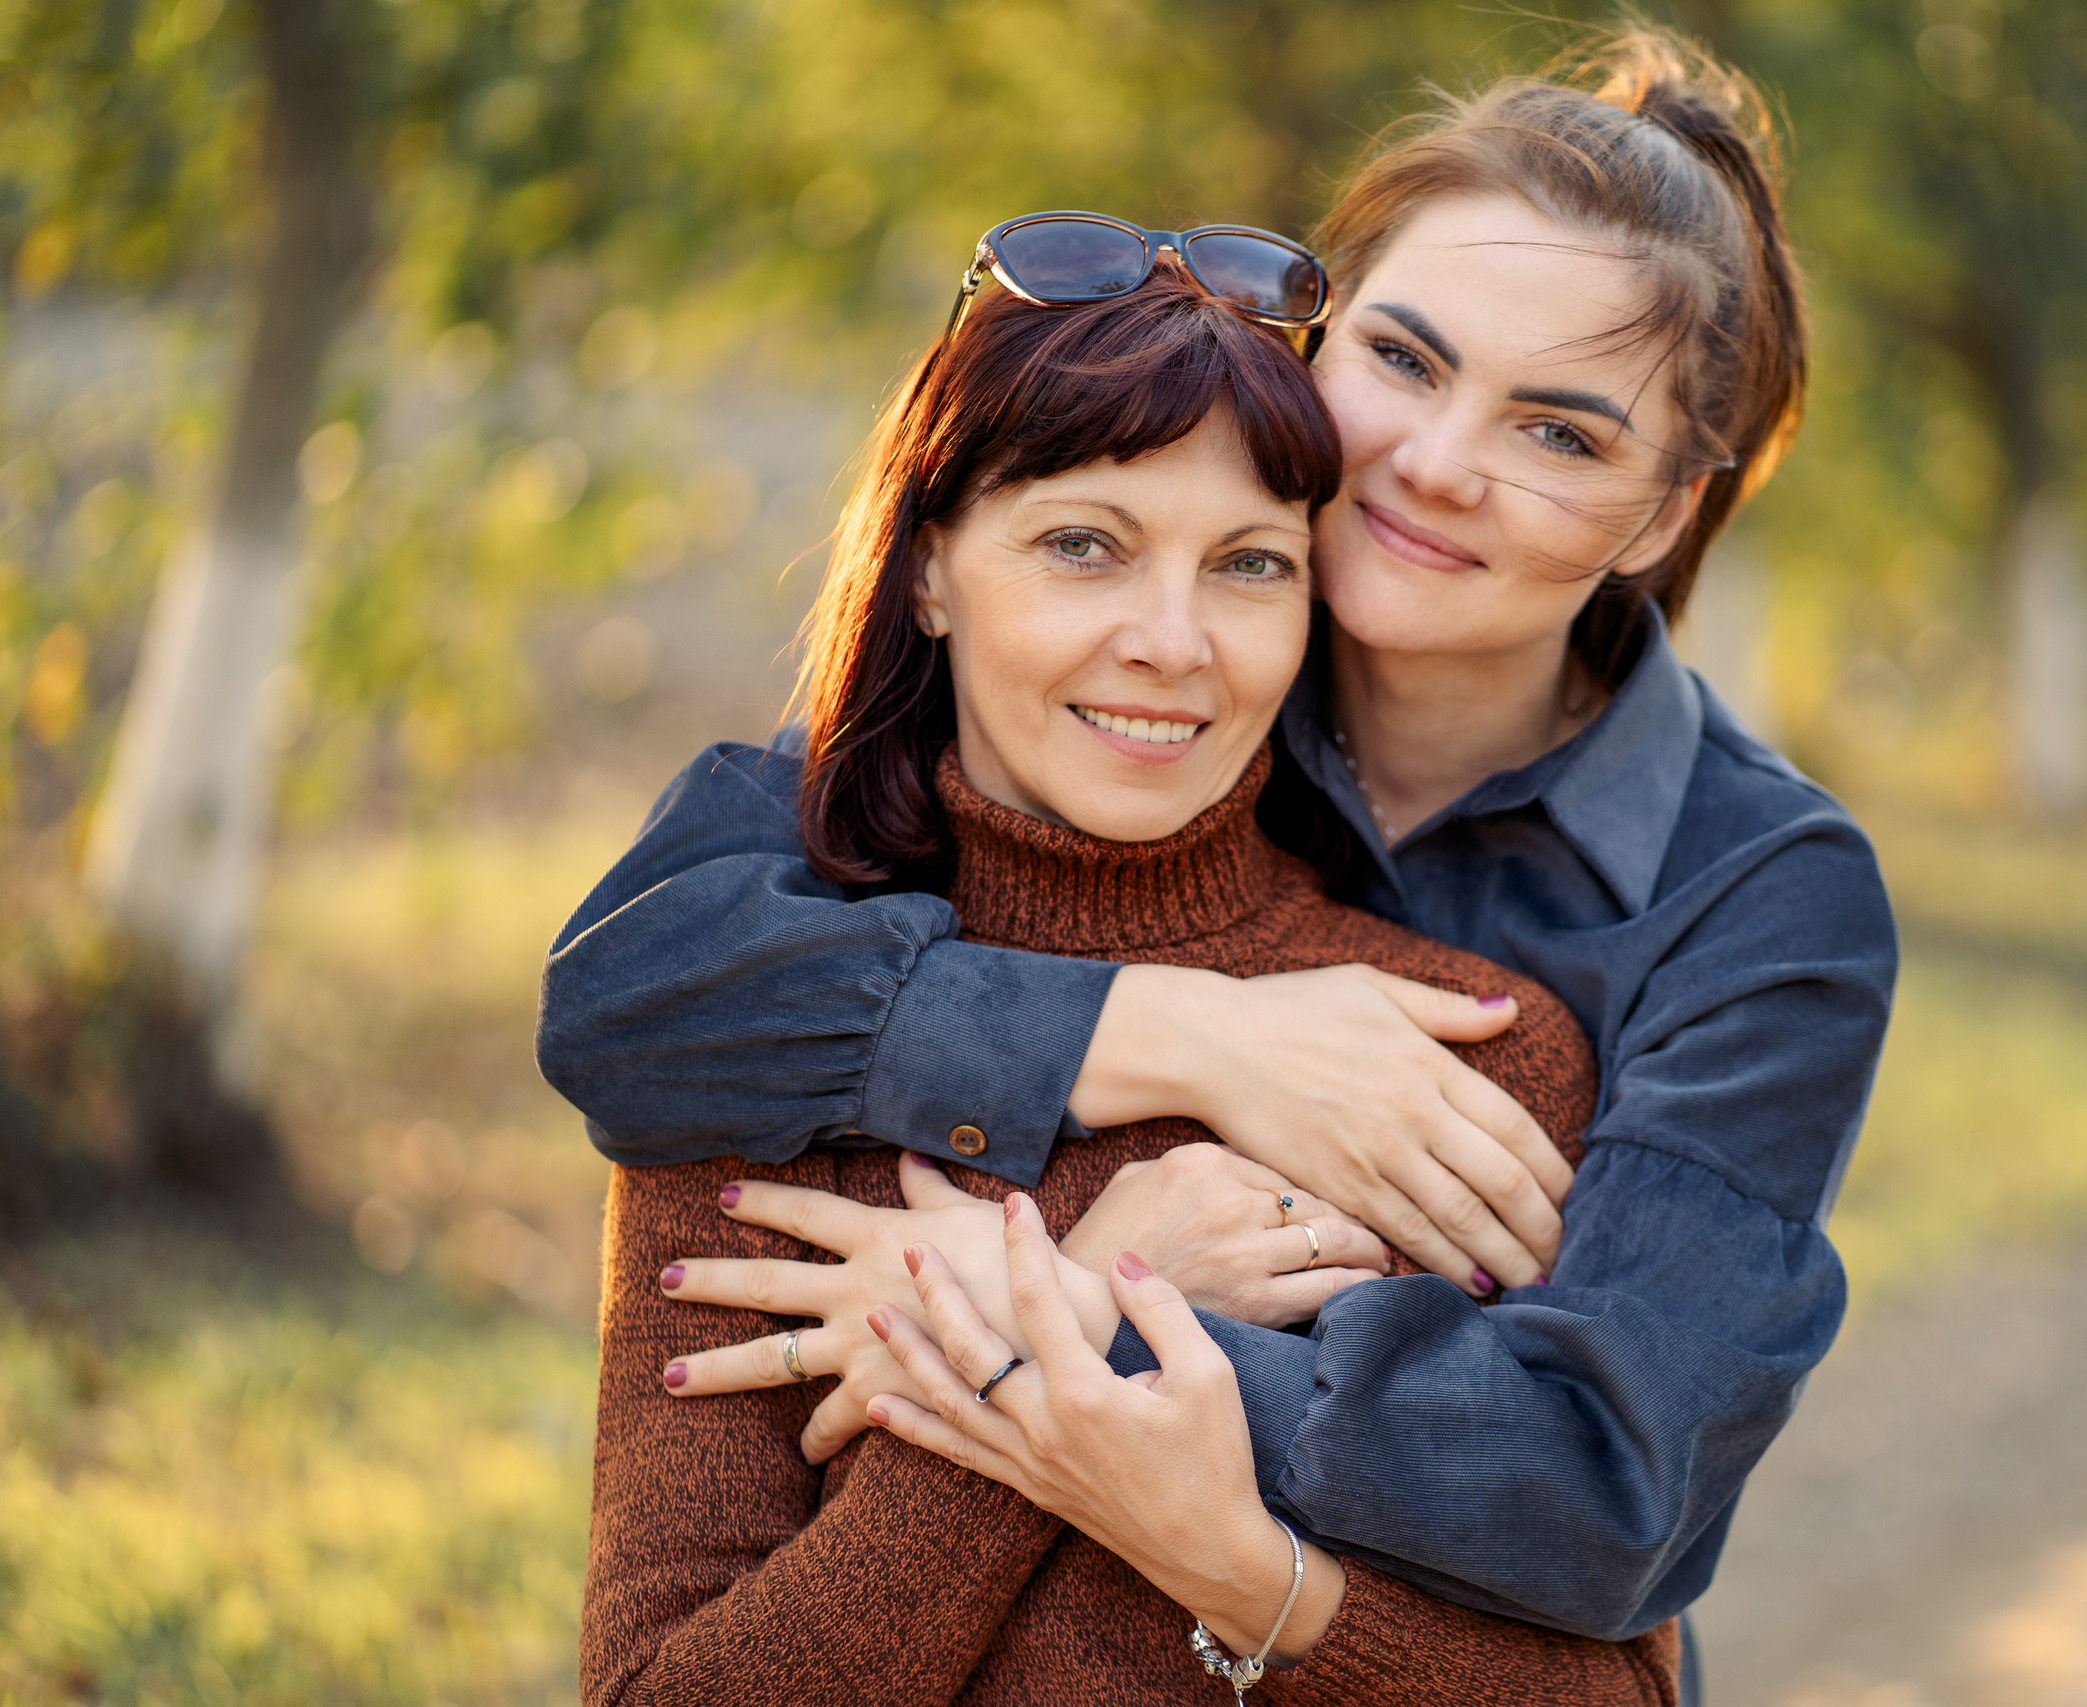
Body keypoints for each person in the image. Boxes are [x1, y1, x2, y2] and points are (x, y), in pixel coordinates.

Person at [544, 25, 1895, 1672]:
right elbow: (636, 991)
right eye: (1402, 359)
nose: (1438, 463)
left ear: (1666, 512)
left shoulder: (1758, 896)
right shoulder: (1138, 691)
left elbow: (1603, 1491)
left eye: (1562, 435)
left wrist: (1038, 1318)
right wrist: (1182, 1034)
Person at [581, 262, 1677, 1701]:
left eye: (1249, 563)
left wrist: (1235, 1560)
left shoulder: (1457, 1063)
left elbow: (1613, 1692)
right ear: (929, 570)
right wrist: (1079, 1322)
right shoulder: (765, 1043)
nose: (1174, 639)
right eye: (1084, 545)